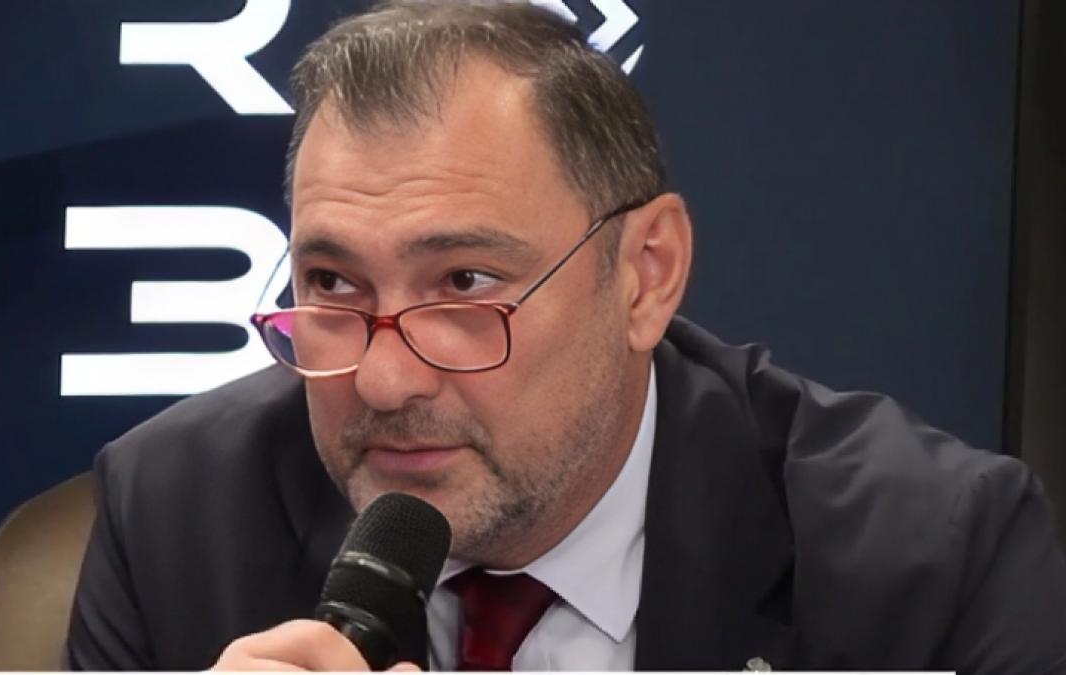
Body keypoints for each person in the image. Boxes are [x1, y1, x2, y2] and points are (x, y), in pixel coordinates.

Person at [66, 1, 1066, 671]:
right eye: (333, 283)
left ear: (645, 275)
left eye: (465, 283)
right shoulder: (176, 517)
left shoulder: (930, 563)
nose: (382, 379)